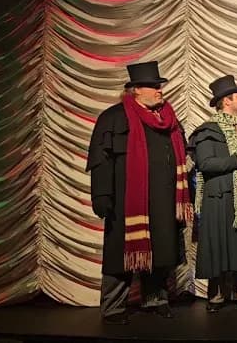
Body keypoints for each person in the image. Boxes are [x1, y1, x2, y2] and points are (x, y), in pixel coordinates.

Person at [85, 61, 189, 324]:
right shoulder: (113, 117)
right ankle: (113, 306)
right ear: (135, 90)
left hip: (163, 201)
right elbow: (101, 160)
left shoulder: (170, 121)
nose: (159, 91)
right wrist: (101, 196)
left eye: (159, 86)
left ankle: (156, 299)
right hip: (127, 202)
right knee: (121, 256)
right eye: (153, 87)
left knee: (161, 252)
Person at [189, 75, 237, 312]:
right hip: (220, 198)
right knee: (218, 246)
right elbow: (205, 163)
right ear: (226, 101)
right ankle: (217, 294)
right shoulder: (207, 132)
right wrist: (236, 161)